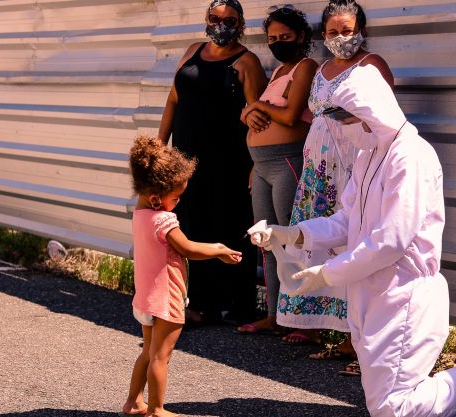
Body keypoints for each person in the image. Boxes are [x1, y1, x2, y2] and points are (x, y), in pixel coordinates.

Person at [250, 65, 456, 417]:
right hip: (370, 292)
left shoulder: (410, 156)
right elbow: (346, 220)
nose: (342, 125)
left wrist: (328, 273)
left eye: (345, 116)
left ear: (370, 111)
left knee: (393, 408)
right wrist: (294, 233)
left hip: (403, 293)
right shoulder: (369, 154)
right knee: (386, 404)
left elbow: (392, 240)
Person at [274, 0, 394, 375]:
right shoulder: (322, 69)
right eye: (333, 32)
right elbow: (315, 114)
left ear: (361, 30)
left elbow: (383, 116)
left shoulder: (372, 65)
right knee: (320, 241)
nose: (341, 38)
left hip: (352, 166)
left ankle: (358, 342)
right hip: (318, 168)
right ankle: (330, 331)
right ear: (322, 35)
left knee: (351, 241)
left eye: (348, 30)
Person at [157, 0, 267, 325]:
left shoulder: (248, 63)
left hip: (228, 164)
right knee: (193, 228)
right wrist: (160, 147)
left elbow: (258, 118)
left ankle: (238, 307)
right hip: (185, 162)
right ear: (206, 20)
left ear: (241, 24)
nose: (222, 25)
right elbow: (173, 99)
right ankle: (202, 304)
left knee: (229, 228)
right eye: (215, 18)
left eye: (230, 20)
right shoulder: (192, 51)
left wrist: (255, 164)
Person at [123, 136, 242, 417]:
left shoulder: (140, 214)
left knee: (148, 352)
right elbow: (188, 249)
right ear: (156, 198)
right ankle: (157, 409)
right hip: (166, 298)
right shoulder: (164, 220)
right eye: (175, 197)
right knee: (161, 357)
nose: (177, 203)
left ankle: (133, 402)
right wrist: (219, 249)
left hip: (145, 298)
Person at [234, 4, 318, 335]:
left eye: (285, 36)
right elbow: (260, 112)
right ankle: (275, 314)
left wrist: (252, 106)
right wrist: (247, 113)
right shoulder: (278, 74)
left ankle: (305, 322)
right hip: (263, 166)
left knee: (293, 239)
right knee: (267, 241)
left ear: (300, 36)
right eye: (272, 37)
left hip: (287, 163)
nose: (278, 42)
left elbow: (290, 115)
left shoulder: (306, 67)